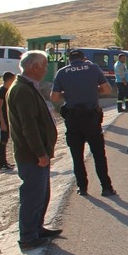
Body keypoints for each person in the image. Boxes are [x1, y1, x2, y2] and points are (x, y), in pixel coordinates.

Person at [6, 50, 61, 250]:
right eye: (44, 65)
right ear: (34, 67)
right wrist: (39, 153)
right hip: (31, 155)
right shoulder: (22, 90)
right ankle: (28, 237)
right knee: (32, 195)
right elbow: (28, 125)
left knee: (41, 194)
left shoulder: (29, 87)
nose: (46, 69)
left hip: (37, 153)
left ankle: (37, 228)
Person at [51, 48, 116, 197]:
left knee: (77, 155)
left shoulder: (62, 72)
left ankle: (82, 187)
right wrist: (93, 90)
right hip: (91, 117)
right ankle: (106, 187)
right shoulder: (93, 68)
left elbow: (54, 98)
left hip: (73, 118)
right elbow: (107, 89)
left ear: (69, 60)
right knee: (98, 153)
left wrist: (67, 93)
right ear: (84, 58)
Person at [0, 72, 16, 171]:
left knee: (6, 140)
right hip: (3, 120)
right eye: (13, 79)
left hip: (8, 119)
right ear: (9, 80)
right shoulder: (1, 91)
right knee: (3, 142)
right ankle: (2, 164)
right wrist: (3, 122)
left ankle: (5, 162)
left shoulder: (8, 90)